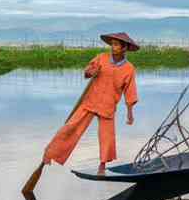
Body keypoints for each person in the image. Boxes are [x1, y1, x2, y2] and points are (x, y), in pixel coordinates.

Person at [28, 31, 139, 186]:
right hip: (90, 101)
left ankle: (102, 165)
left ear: (124, 48)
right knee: (70, 127)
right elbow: (87, 73)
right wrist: (91, 71)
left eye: (115, 45)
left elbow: (130, 91)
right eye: (112, 44)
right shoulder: (102, 58)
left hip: (108, 105)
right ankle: (49, 155)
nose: (112, 47)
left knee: (107, 137)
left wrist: (130, 113)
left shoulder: (129, 69)